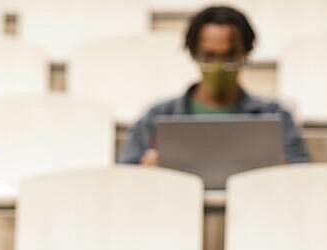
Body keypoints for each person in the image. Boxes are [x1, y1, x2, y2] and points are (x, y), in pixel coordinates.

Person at [119, 5, 310, 166]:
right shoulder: (157, 117)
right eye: (209, 56)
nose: (219, 66)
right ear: (193, 53)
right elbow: (125, 178)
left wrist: (283, 169)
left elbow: (301, 178)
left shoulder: (275, 117)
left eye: (229, 56)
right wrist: (146, 172)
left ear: (247, 53)